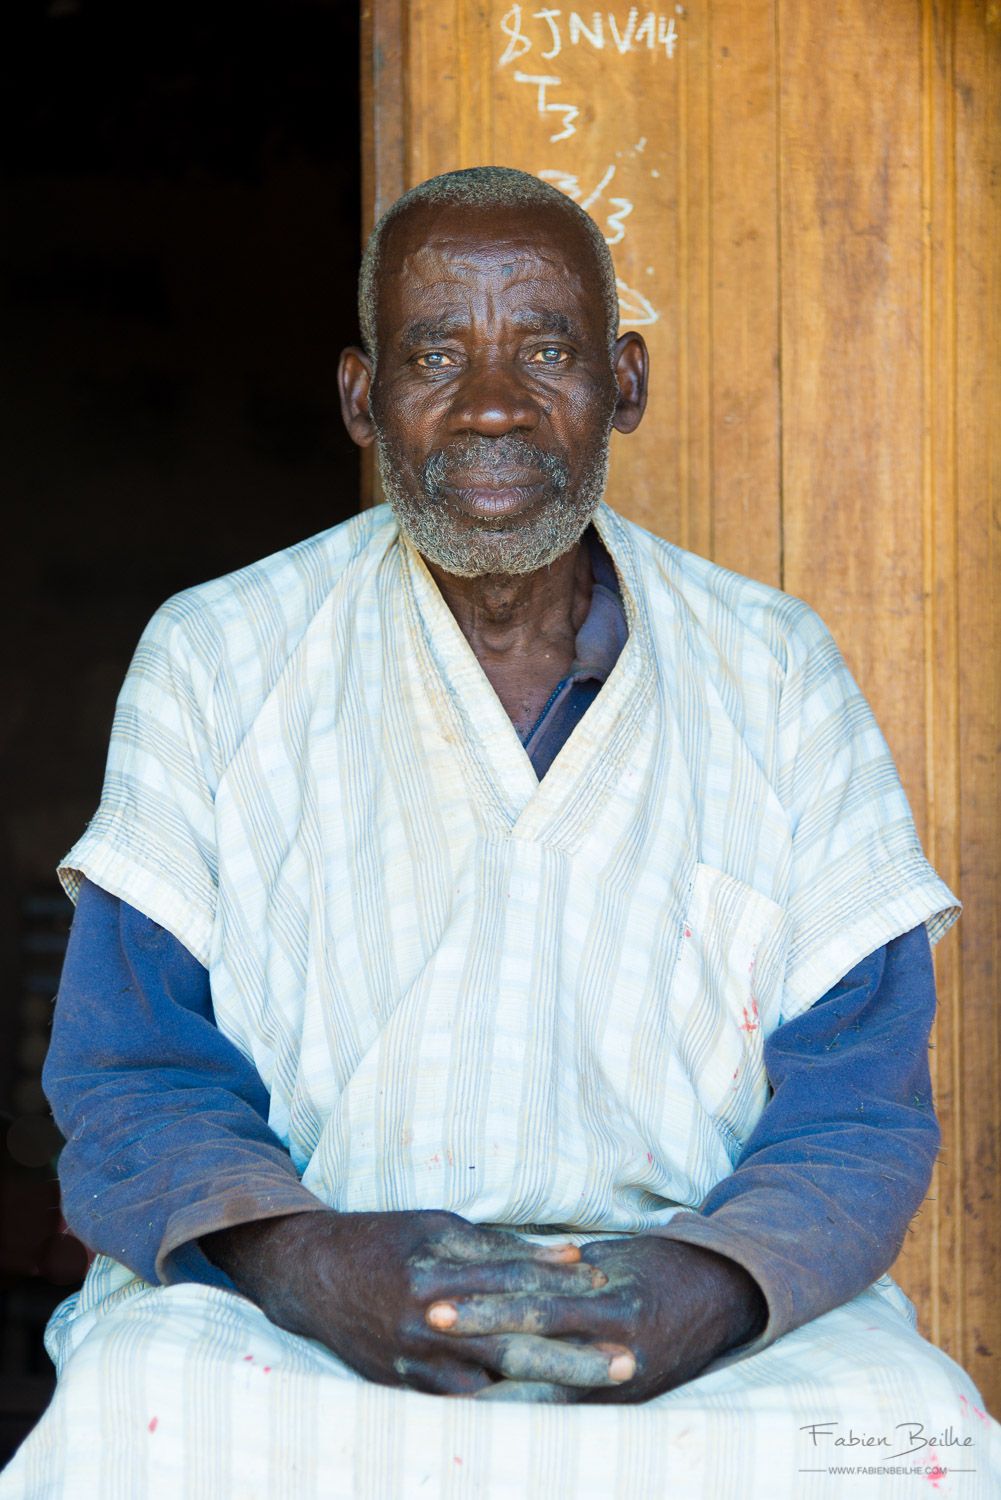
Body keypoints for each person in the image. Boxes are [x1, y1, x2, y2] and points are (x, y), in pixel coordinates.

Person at [3, 166, 998, 1498]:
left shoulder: (773, 669)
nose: (491, 403)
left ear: (624, 386)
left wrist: (705, 1288)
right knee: (141, 1419)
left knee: (906, 1437)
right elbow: (130, 1078)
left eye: (545, 349)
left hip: (684, 1315)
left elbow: (857, 1107)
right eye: (434, 354)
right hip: (297, 1310)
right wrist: (309, 1261)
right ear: (362, 399)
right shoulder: (219, 656)